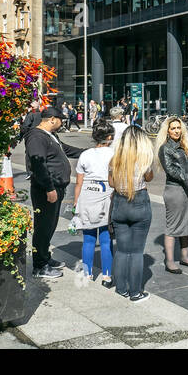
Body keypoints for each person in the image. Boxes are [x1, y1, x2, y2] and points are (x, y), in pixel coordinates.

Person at [23, 106, 84, 280]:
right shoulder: (36, 137)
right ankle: (39, 266)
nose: (62, 124)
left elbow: (67, 150)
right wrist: (49, 188)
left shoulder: (50, 136)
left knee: (50, 225)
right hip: (45, 190)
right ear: (52, 120)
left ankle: (45, 258)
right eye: (60, 121)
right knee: (43, 227)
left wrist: (90, 152)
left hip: (56, 188)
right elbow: (39, 164)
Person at [108, 125, 156, 302]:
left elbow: (112, 183)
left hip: (120, 204)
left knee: (121, 250)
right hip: (139, 202)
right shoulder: (145, 158)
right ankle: (135, 292)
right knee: (136, 251)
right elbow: (149, 178)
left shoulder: (115, 159)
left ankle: (121, 288)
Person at [72, 121, 115, 284]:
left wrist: (76, 202)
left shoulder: (85, 154)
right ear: (109, 137)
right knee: (106, 239)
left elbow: (78, 182)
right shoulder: (113, 154)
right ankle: (107, 276)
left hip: (86, 195)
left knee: (88, 239)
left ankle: (87, 274)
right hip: (106, 195)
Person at [156, 116, 188, 273]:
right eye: (173, 128)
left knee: (187, 222)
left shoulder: (185, 145)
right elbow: (172, 171)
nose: (176, 130)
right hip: (175, 189)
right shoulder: (165, 148)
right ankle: (169, 261)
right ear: (167, 131)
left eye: (178, 127)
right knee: (173, 225)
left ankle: (184, 256)